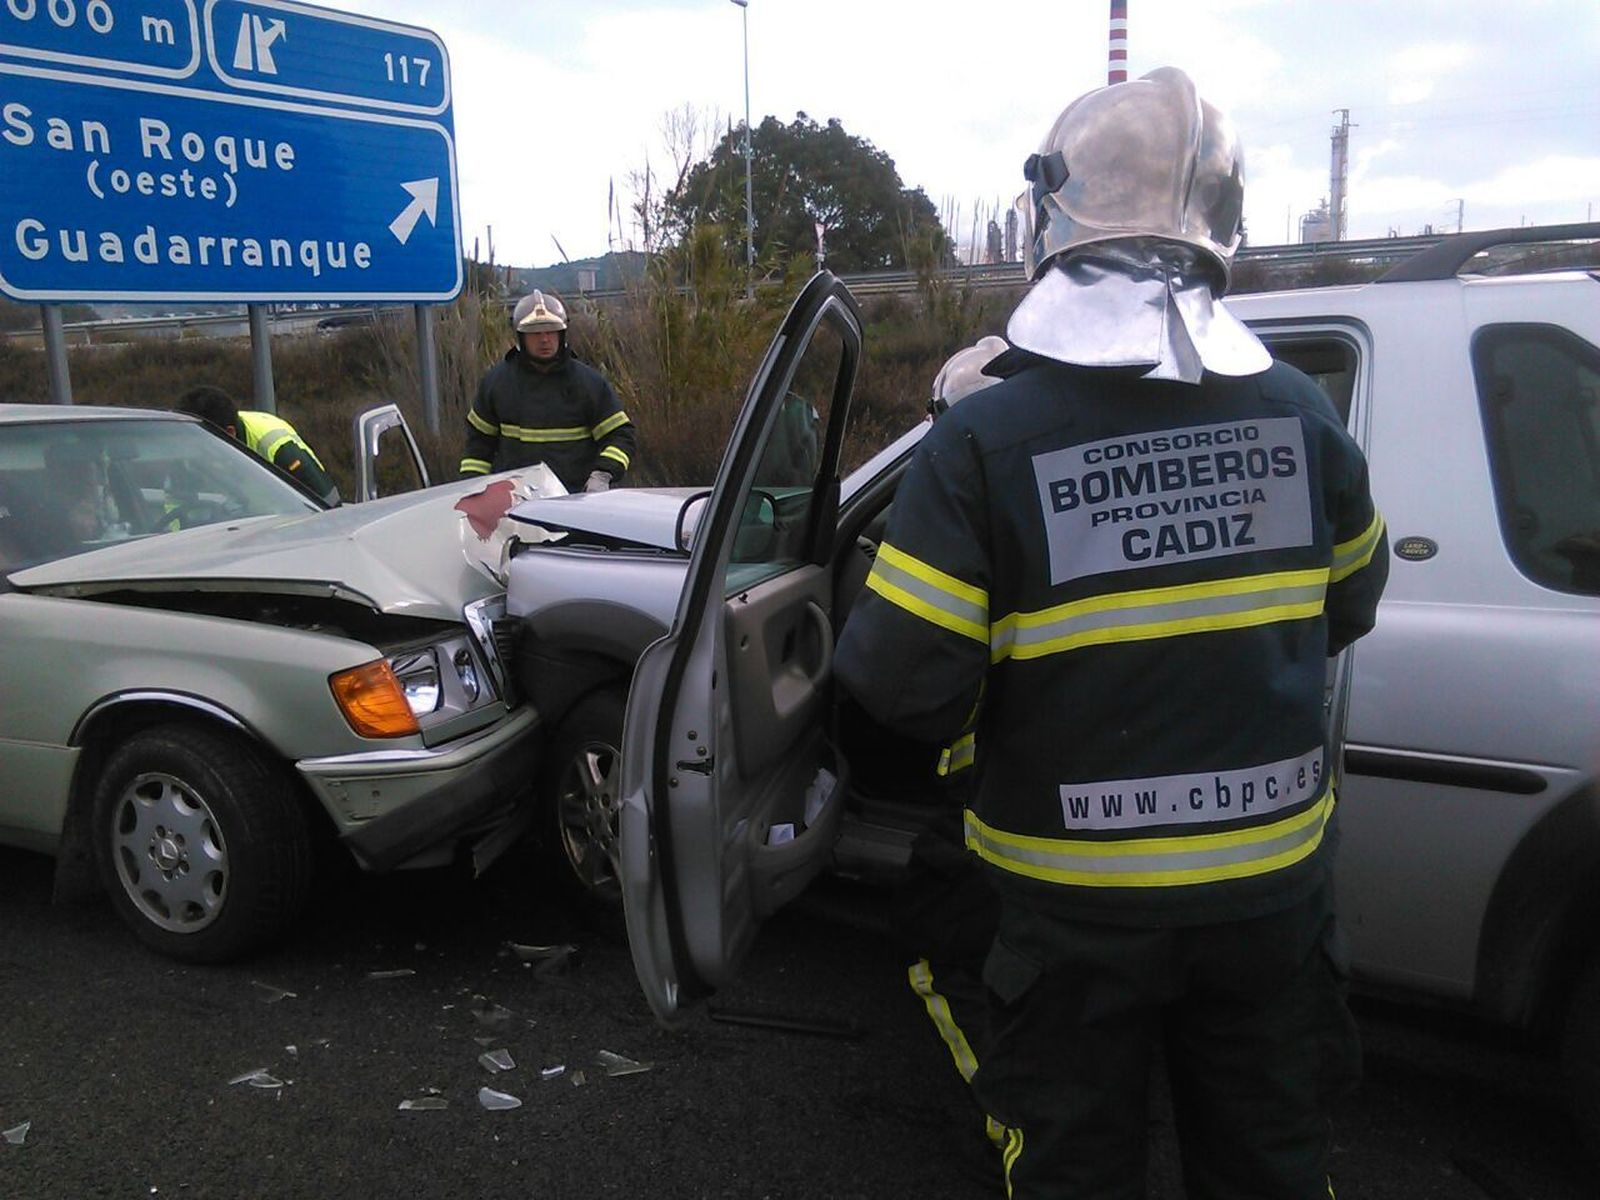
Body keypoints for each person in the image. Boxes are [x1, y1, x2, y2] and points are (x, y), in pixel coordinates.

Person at [833, 66, 1389, 1199]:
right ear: (1219, 227)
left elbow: (901, 686)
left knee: (1075, 1174)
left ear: (1059, 216)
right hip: (1271, 903)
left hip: (1072, 917)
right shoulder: (1302, 413)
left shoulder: (986, 441)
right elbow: (1352, 606)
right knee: (1272, 1167)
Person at [458, 290, 635, 494]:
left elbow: (621, 435)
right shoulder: (496, 384)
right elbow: (478, 446)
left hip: (576, 499)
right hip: (514, 502)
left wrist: (603, 473)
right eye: (535, 333)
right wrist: (473, 490)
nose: (544, 340)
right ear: (521, 337)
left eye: (551, 331)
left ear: (562, 334)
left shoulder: (588, 383)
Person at [176, 385, 340, 505]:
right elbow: (178, 500)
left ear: (230, 433)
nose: (194, 451)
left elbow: (328, 502)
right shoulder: (192, 445)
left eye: (201, 443)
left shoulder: (279, 447)